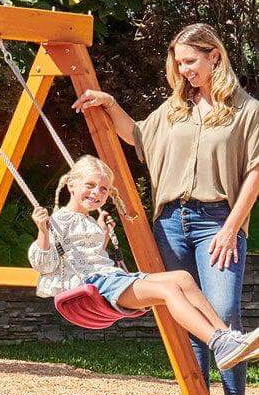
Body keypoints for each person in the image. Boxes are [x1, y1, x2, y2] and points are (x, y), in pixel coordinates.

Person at [72, 24, 259, 395]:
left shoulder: (247, 111)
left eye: (191, 62)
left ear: (215, 56)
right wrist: (110, 104)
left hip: (217, 222)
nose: (183, 70)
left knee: (224, 313)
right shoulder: (174, 109)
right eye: (178, 63)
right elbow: (138, 135)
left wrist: (231, 228)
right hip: (170, 222)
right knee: (183, 314)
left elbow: (256, 173)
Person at [28, 153, 259, 377]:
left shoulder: (89, 221)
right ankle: (217, 342)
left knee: (182, 278)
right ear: (71, 186)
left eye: (103, 189)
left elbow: (90, 256)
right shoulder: (57, 221)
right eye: (90, 185)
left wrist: (103, 234)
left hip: (112, 278)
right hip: (97, 285)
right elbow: (44, 264)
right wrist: (42, 231)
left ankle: (226, 338)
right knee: (169, 290)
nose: (96, 193)